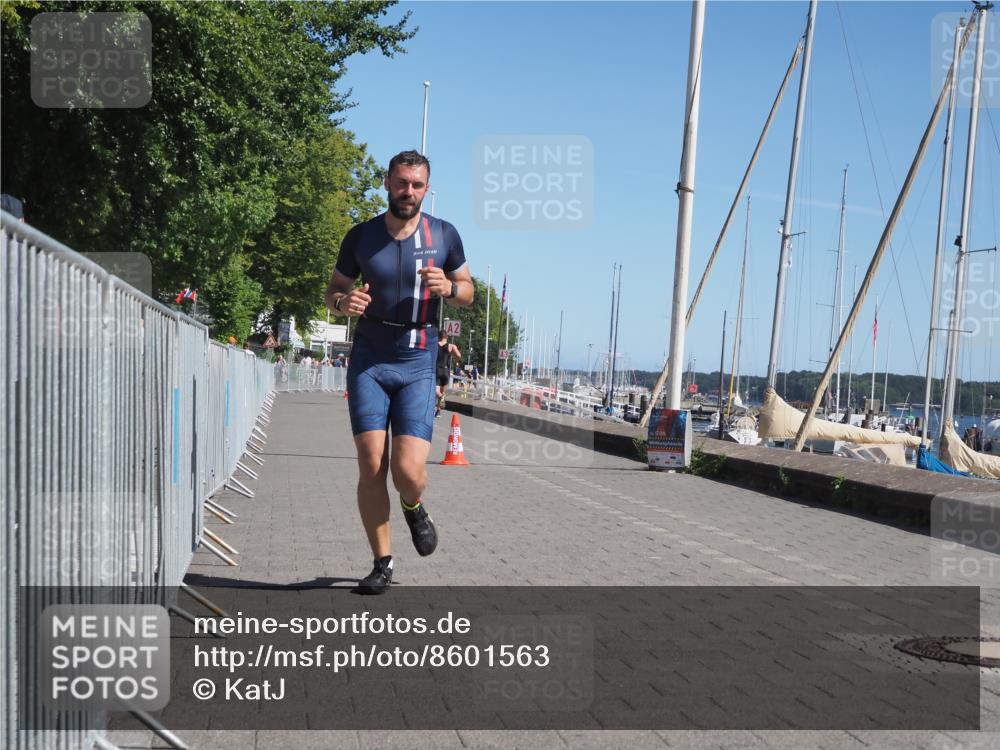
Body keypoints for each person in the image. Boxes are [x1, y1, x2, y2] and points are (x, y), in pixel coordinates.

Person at [325, 150, 473, 595]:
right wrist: (341, 303)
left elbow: (467, 291)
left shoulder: (445, 235)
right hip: (370, 357)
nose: (408, 191)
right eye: (401, 182)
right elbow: (334, 290)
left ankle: (413, 505)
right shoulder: (361, 236)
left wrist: (449, 287)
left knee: (408, 470)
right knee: (372, 464)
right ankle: (382, 561)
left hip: (418, 359)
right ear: (387, 183)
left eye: (417, 185)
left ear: (427, 189)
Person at [435, 335, 462, 418]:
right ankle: (438, 411)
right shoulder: (451, 346)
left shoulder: (435, 344)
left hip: (437, 370)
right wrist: (456, 360)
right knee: (442, 392)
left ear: (439, 337)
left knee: (437, 392)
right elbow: (459, 355)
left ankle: (440, 399)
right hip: (446, 371)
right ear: (446, 337)